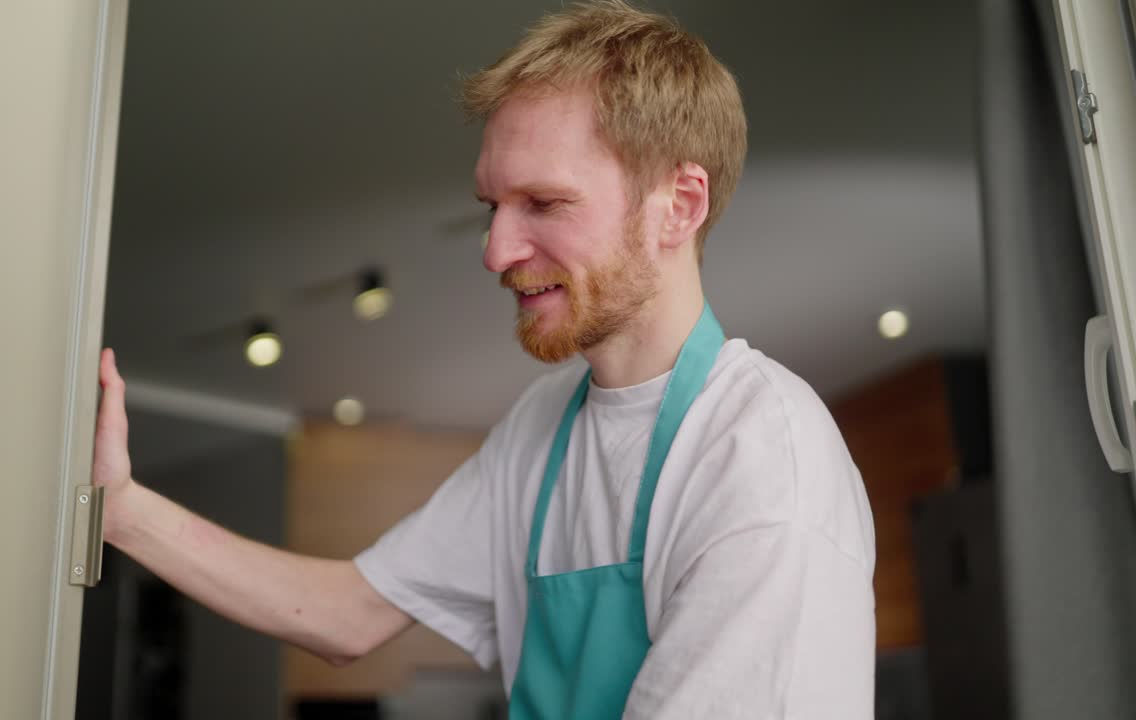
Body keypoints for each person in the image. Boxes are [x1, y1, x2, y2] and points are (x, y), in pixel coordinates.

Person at [93, 1, 876, 717]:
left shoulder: (761, 455)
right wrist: (121, 510)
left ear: (680, 206)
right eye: (492, 208)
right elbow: (349, 614)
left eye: (543, 203)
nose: (497, 251)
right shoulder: (542, 426)